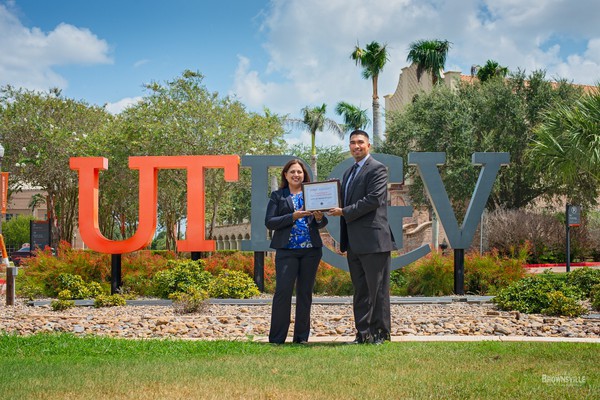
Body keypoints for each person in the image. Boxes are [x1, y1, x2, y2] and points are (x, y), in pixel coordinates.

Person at [327, 130, 396, 344]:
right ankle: (363, 333)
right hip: (354, 242)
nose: (356, 146)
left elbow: (373, 199)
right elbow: (342, 201)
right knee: (361, 291)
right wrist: (323, 200)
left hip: (374, 240)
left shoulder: (377, 169)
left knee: (378, 291)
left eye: (360, 142)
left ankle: (380, 334)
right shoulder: (348, 174)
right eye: (352, 143)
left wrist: (344, 211)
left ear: (369, 145)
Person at [265, 159, 328, 344]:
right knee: (283, 292)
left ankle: (301, 338)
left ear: (304, 175)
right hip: (287, 251)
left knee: (305, 293)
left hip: (311, 251)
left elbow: (322, 224)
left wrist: (319, 217)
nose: (296, 175)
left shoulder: (312, 195)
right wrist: (292, 216)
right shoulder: (278, 196)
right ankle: (277, 338)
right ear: (285, 175)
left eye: (299, 172)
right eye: (292, 172)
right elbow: (270, 222)